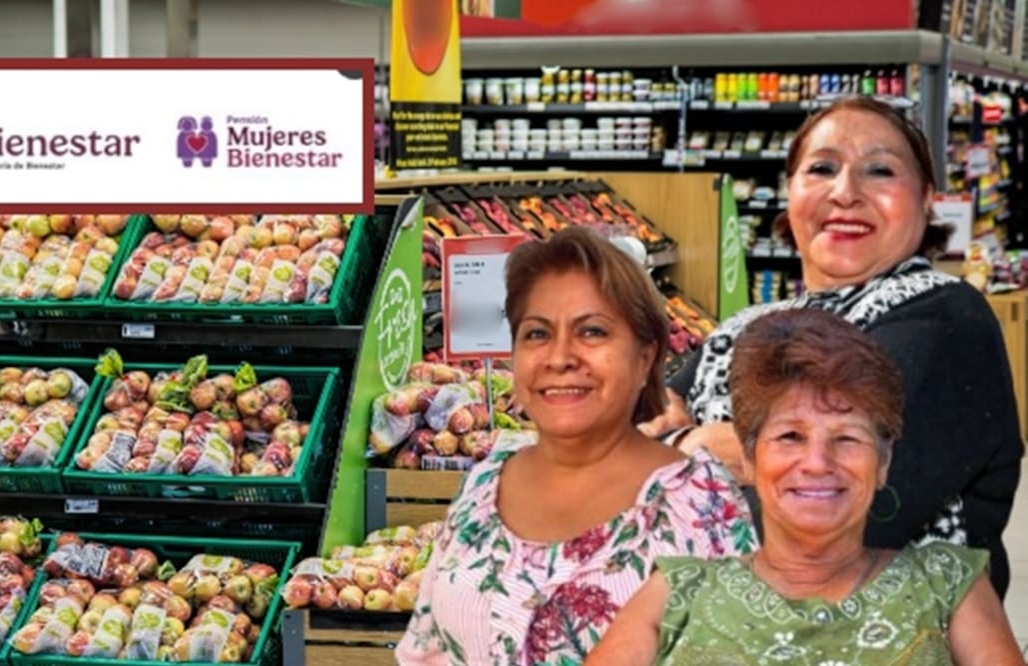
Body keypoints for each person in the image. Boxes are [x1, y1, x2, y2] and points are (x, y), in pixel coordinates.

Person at [645, 95, 1023, 599]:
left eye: (880, 171)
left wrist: (677, 457)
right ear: (791, 192)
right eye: (822, 168)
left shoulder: (945, 318)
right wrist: (695, 446)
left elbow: (836, 524)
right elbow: (635, 426)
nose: (845, 193)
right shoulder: (748, 324)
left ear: (927, 198)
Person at [395, 227, 757, 665]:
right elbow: (424, 650)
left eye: (591, 332)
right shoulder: (486, 482)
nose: (560, 357)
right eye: (537, 334)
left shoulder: (698, 505)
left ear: (645, 357)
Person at [585, 309, 1023, 665]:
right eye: (790, 437)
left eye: (847, 439)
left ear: (884, 461)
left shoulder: (949, 584)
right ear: (750, 460)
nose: (817, 464)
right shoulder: (679, 591)